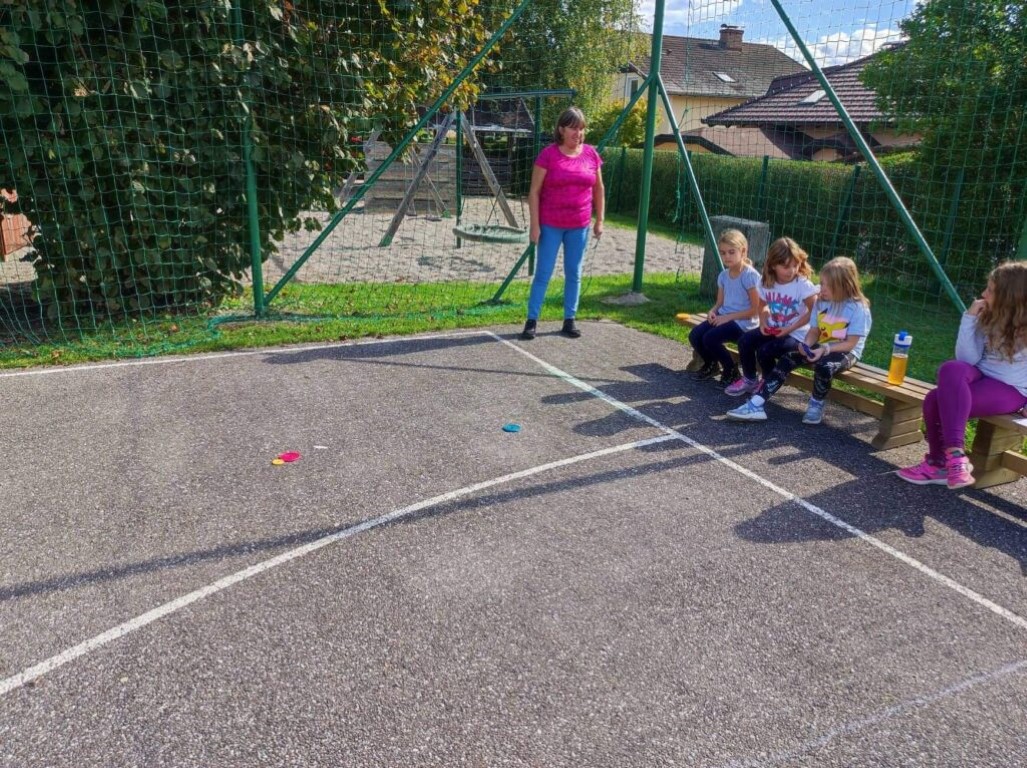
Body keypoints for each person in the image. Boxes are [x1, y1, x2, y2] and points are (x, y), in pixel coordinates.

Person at [896, 261, 1027, 489]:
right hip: (980, 374)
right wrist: (969, 318)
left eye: (991, 290)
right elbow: (967, 359)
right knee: (951, 368)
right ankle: (955, 457)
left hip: (1010, 389)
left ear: (1010, 297)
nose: (984, 294)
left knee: (934, 400)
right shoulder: (989, 315)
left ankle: (940, 463)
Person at [726, 256, 872, 424]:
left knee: (825, 366)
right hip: (821, 346)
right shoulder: (821, 301)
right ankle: (756, 404)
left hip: (846, 351)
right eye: (822, 283)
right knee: (788, 358)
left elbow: (851, 343)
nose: (822, 288)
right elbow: (814, 330)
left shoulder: (858, 308)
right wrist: (806, 344)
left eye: (828, 285)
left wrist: (824, 349)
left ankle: (816, 404)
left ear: (844, 286)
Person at [520, 107, 605, 340]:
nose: (578, 133)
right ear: (561, 129)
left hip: (579, 225)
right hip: (551, 224)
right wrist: (535, 225)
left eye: (581, 128)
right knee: (543, 273)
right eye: (573, 128)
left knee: (574, 273)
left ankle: (569, 320)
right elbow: (534, 192)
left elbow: (599, 188)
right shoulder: (548, 155)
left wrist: (600, 220)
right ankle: (531, 321)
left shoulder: (591, 155)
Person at [724, 237, 818, 396]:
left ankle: (767, 382)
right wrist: (763, 322)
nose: (792, 270)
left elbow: (814, 311)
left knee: (765, 351)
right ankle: (750, 379)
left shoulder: (802, 285)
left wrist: (790, 328)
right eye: (786, 266)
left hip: (798, 335)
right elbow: (762, 305)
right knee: (745, 341)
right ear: (773, 264)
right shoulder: (766, 282)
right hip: (776, 328)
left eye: (795, 265)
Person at [687, 228, 760, 386]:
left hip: (744, 323)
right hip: (725, 318)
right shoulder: (723, 276)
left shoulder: (750, 276)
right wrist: (712, 311)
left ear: (743, 251)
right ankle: (711, 364)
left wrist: (727, 317)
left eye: (731, 252)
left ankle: (731, 370)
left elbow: (755, 311)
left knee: (710, 338)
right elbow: (720, 303)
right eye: (723, 253)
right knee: (695, 335)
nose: (727, 256)